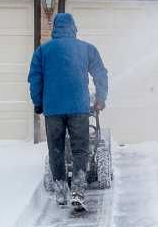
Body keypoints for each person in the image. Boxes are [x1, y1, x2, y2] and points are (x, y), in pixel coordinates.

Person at [28, 12, 109, 208]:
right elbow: (100, 73)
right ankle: (79, 190)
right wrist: (100, 99)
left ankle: (61, 191)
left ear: (55, 28)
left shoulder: (42, 51)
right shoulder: (86, 49)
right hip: (78, 108)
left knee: (56, 150)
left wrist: (38, 103)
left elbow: (35, 79)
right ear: (73, 28)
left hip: (53, 109)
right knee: (80, 149)